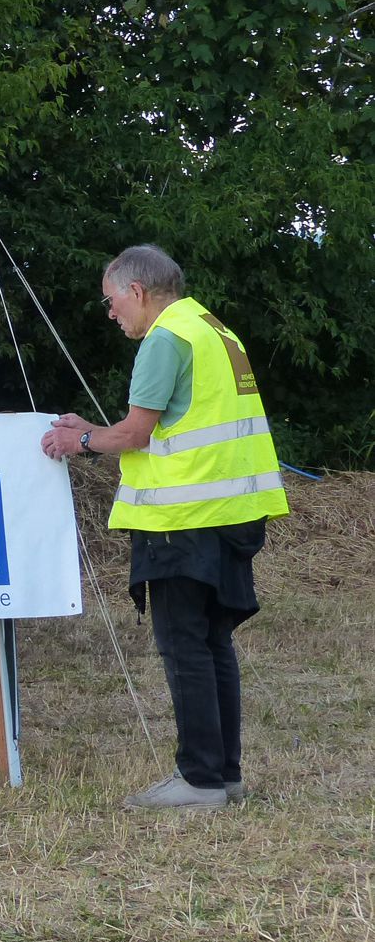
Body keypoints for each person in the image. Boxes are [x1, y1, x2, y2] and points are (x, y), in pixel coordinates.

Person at [41, 244, 287, 810]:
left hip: (182, 519)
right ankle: (224, 775)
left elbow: (135, 435)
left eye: (111, 302)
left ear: (136, 291)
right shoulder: (214, 331)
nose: (111, 314)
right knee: (213, 642)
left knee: (184, 646)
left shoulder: (164, 340)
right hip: (234, 513)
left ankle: (198, 781)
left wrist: (76, 440)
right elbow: (175, 424)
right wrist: (97, 429)